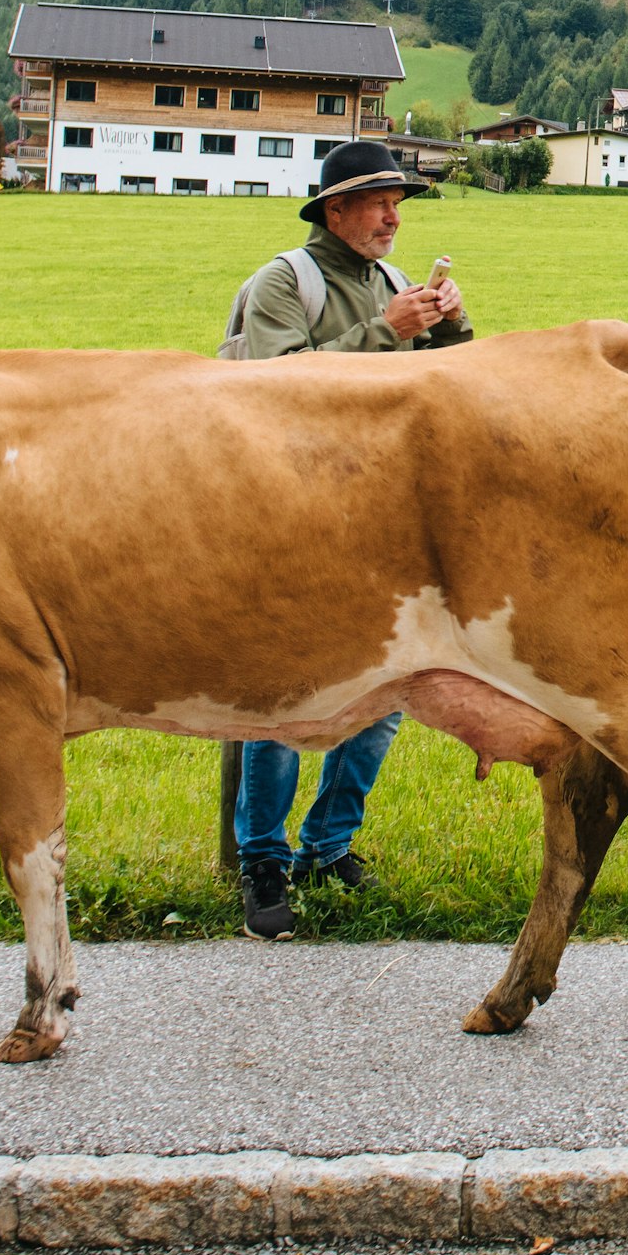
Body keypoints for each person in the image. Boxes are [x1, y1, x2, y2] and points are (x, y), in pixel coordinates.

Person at [211, 138, 470, 937]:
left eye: (399, 202)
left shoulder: (393, 283)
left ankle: (330, 846)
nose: (395, 215)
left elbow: (448, 389)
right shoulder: (284, 282)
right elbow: (276, 392)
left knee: (385, 698)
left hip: (376, 525)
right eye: (379, 201)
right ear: (335, 209)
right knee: (282, 701)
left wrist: (453, 328)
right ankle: (263, 861)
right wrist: (386, 332)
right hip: (285, 523)